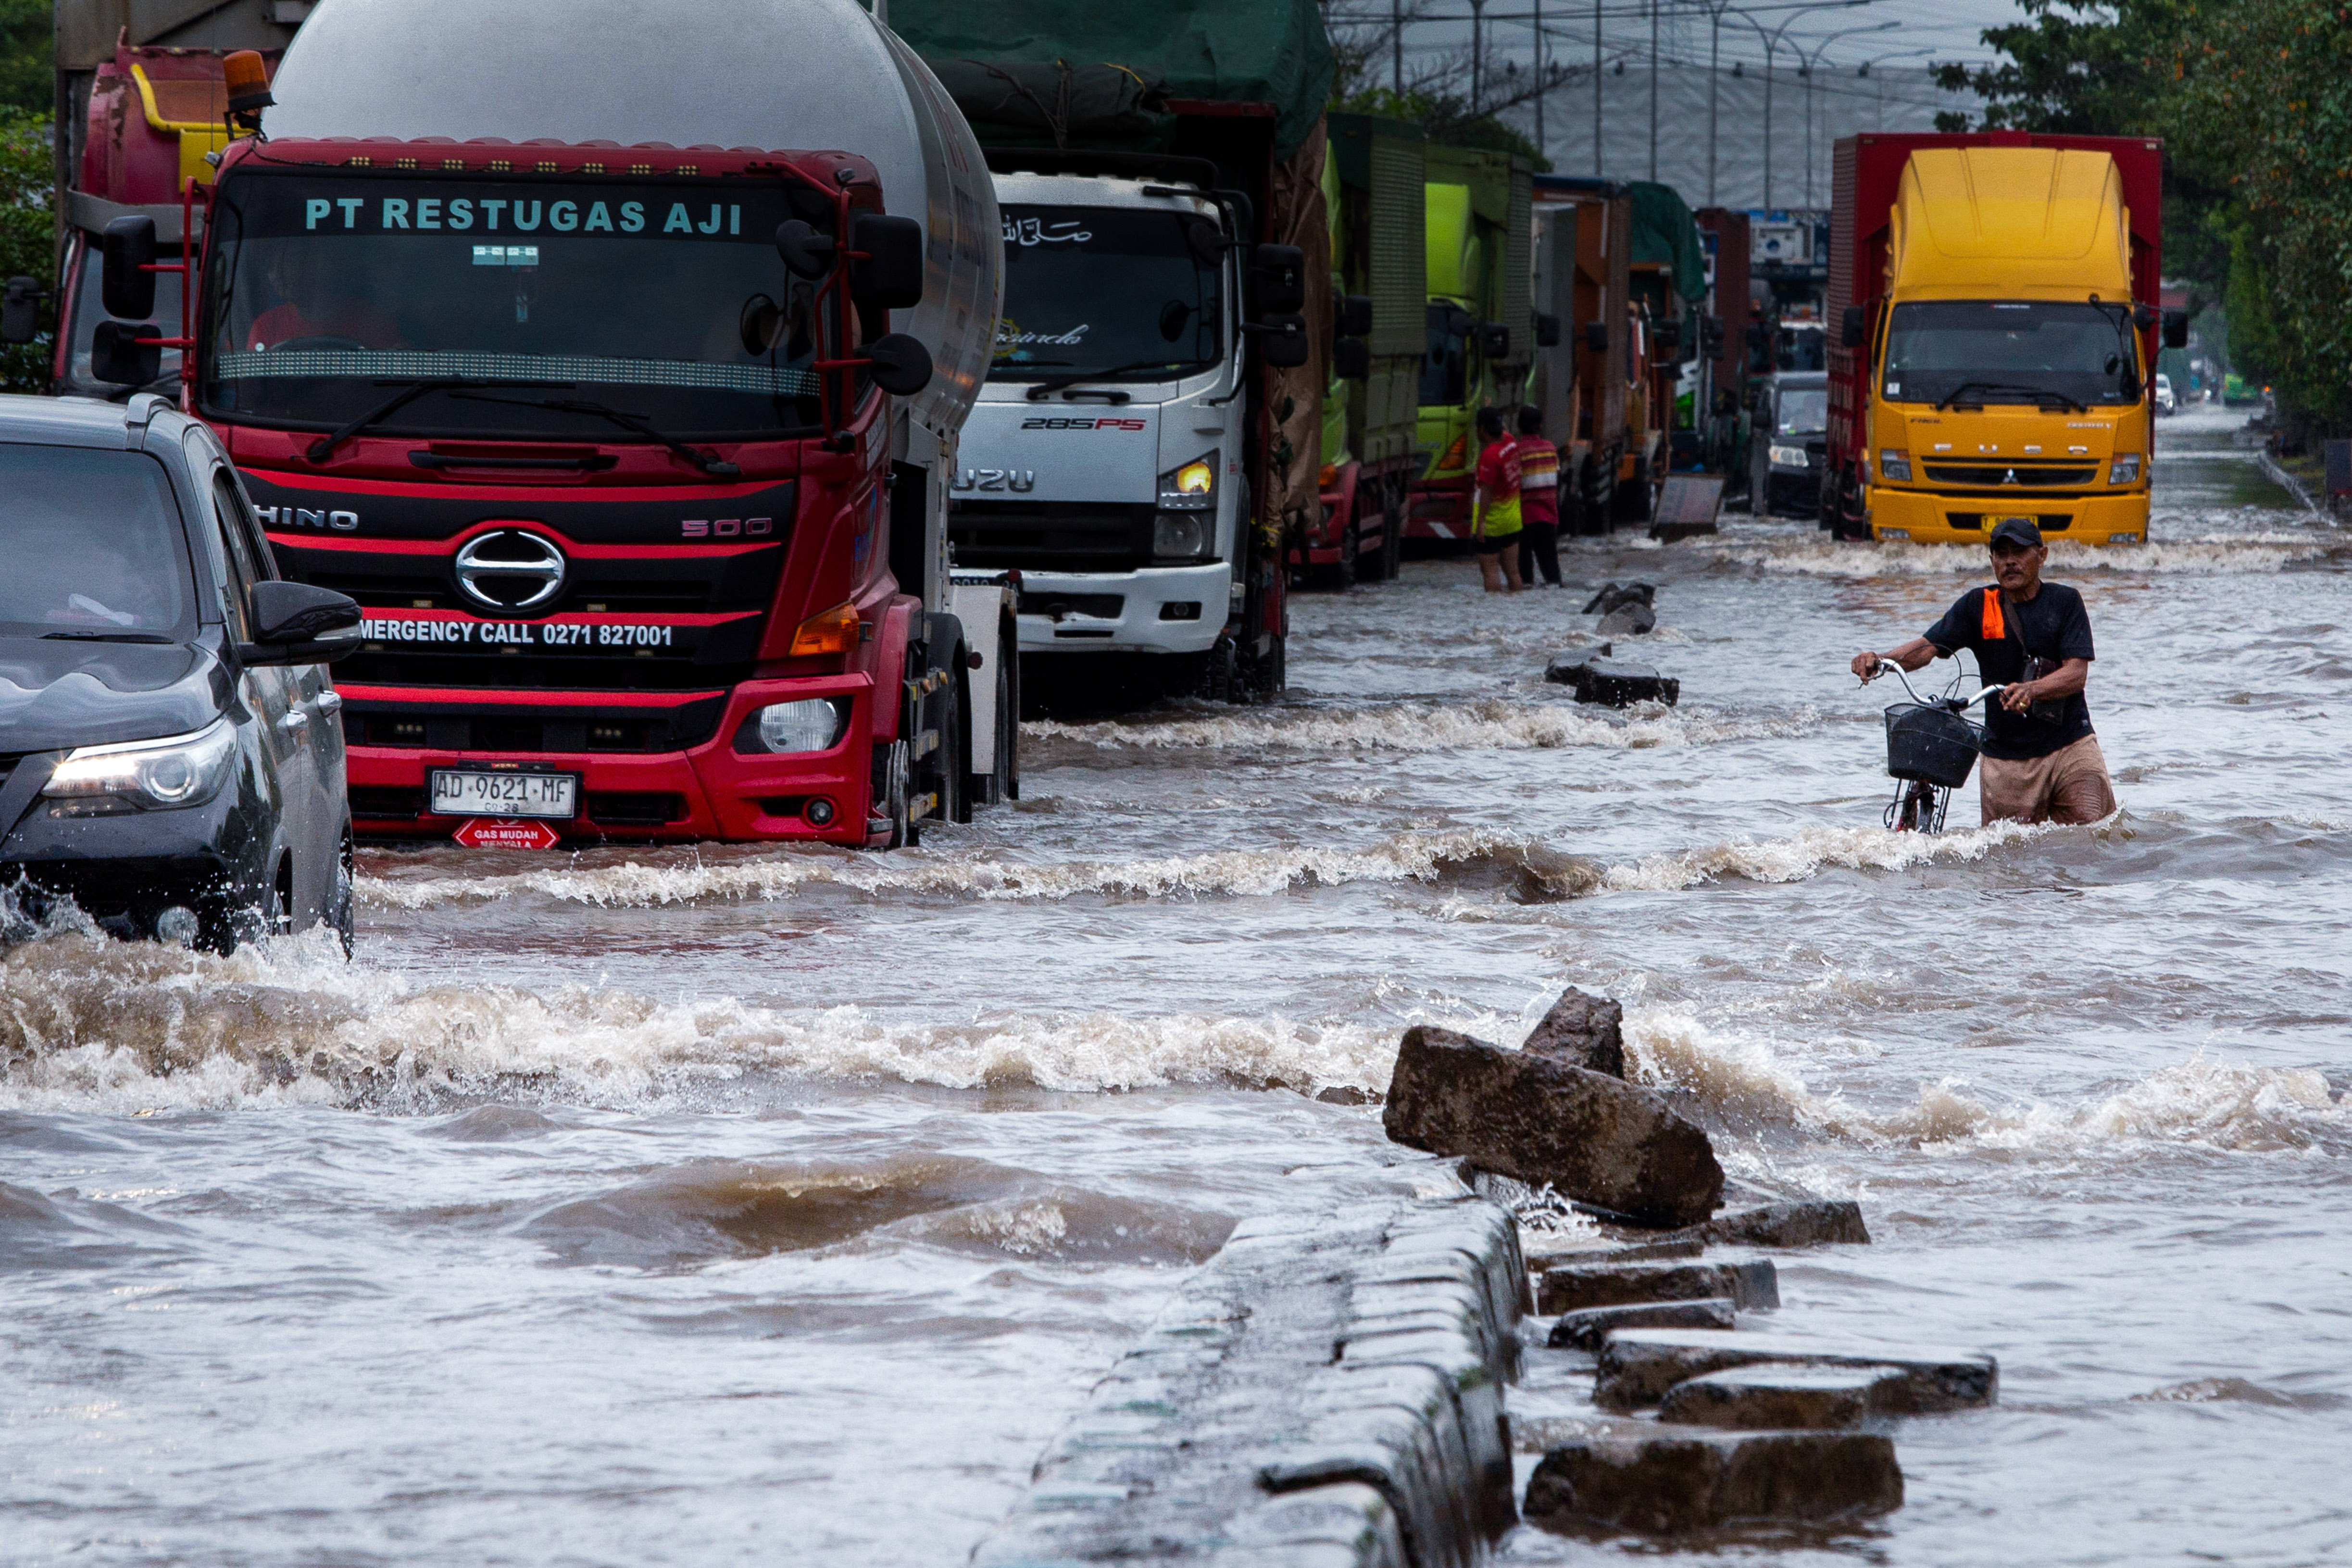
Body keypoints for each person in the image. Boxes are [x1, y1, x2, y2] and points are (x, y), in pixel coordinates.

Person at [1850, 517, 2117, 825]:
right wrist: (1879, 660)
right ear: (1992, 561)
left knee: (2093, 832)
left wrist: (2032, 690)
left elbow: (2076, 674)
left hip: (2070, 747)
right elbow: (1926, 648)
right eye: (2001, 554)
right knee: (2010, 859)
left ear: (2042, 556)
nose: (2010, 562)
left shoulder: (2065, 602)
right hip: (2005, 760)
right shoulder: (1978, 605)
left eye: (2019, 552)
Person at [1470, 405, 1523, 593]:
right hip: (1513, 520)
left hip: (1493, 522)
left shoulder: (1489, 456)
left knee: (1490, 571)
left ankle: (1493, 616)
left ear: (1483, 430)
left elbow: (1487, 491)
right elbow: (1505, 428)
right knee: (1513, 572)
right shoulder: (1511, 443)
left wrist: (1481, 522)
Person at [1512, 404, 1563, 587]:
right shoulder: (1550, 449)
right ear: (1540, 426)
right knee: (1552, 571)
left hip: (1525, 517)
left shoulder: (1517, 451)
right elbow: (1556, 477)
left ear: (1518, 425)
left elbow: (1515, 483)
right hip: (1549, 516)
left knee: (1525, 574)